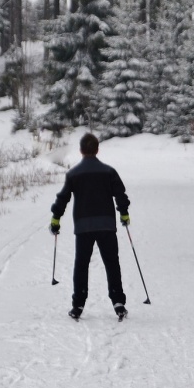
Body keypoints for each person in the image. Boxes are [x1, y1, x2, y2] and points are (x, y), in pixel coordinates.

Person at [50, 133, 131, 321]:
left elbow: (63, 197)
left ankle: (78, 305)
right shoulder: (109, 172)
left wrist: (56, 218)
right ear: (97, 149)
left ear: (81, 150)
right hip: (106, 225)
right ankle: (118, 302)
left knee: (81, 265)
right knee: (112, 263)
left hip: (83, 226)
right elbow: (120, 194)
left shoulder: (73, 174)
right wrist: (124, 213)